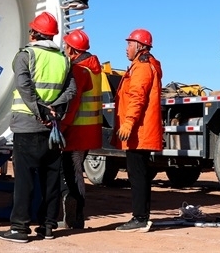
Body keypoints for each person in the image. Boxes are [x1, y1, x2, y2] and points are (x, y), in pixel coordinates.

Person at [0, 12, 77, 243]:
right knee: (50, 179)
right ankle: (48, 226)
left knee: (24, 180)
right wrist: (54, 110)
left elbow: (23, 85)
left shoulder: (25, 55)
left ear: (33, 33)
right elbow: (71, 90)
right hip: (52, 128)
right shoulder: (64, 58)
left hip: (27, 126)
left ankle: (20, 228)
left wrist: (39, 109)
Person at [113, 28, 163, 233]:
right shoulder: (145, 64)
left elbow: (137, 98)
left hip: (138, 132)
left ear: (140, 46)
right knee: (140, 174)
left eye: (129, 44)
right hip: (141, 131)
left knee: (137, 175)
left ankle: (140, 218)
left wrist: (128, 123)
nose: (126, 48)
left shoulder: (141, 68)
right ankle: (141, 216)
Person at [58, 29, 102, 230]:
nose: (64, 49)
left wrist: (62, 126)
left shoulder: (79, 70)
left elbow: (73, 103)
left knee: (71, 173)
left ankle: (74, 218)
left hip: (76, 131)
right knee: (75, 172)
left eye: (66, 46)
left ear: (73, 50)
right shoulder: (94, 68)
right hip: (89, 131)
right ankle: (76, 217)